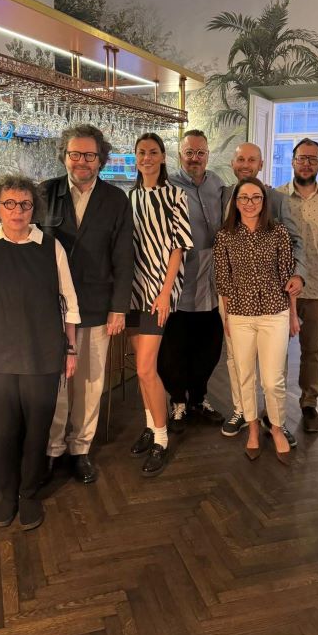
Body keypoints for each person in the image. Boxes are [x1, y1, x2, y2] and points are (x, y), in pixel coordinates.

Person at [0, 175, 80, 530]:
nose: (17, 211)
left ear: (34, 209)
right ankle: (7, 493)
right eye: (9, 203)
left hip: (42, 352)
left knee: (38, 429)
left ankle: (28, 492)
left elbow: (69, 302)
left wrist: (70, 349)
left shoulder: (50, 247)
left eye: (24, 204)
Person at [42, 125, 134, 485]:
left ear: (101, 159)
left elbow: (123, 256)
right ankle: (52, 450)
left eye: (90, 155)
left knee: (91, 382)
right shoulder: (44, 192)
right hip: (53, 308)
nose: (82, 161)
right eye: (75, 154)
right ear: (64, 156)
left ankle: (80, 449)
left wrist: (118, 307)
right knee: (56, 384)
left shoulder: (115, 199)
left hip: (97, 304)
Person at [220, 142, 306, 445]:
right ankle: (246, 416)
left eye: (252, 159)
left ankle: (275, 421)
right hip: (238, 307)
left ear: (261, 164)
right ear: (233, 163)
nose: (246, 164)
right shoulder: (223, 205)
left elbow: (291, 256)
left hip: (274, 307)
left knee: (273, 376)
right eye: (241, 159)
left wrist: (294, 308)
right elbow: (223, 275)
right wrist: (226, 315)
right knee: (239, 367)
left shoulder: (277, 215)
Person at [128, 133, 193, 477]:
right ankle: (151, 425)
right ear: (135, 157)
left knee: (144, 368)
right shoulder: (130, 196)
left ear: (164, 157)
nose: (147, 158)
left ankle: (162, 438)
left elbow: (179, 247)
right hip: (131, 290)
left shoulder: (175, 195)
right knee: (143, 369)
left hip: (157, 290)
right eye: (142, 152)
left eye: (153, 152)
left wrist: (166, 292)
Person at [157, 129, 225, 434]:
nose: (194, 158)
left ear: (207, 155)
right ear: (179, 155)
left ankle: (199, 398)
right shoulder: (168, 186)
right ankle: (178, 401)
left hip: (211, 281)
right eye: (189, 153)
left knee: (209, 347)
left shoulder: (217, 184)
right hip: (179, 279)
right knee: (175, 348)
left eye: (200, 153)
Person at [276, 138, 318, 433]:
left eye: (312, 159)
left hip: (316, 288)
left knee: (312, 350)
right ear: (292, 161)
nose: (306, 164)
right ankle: (274, 405)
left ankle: (309, 403)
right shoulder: (276, 197)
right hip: (279, 290)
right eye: (301, 158)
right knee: (276, 351)